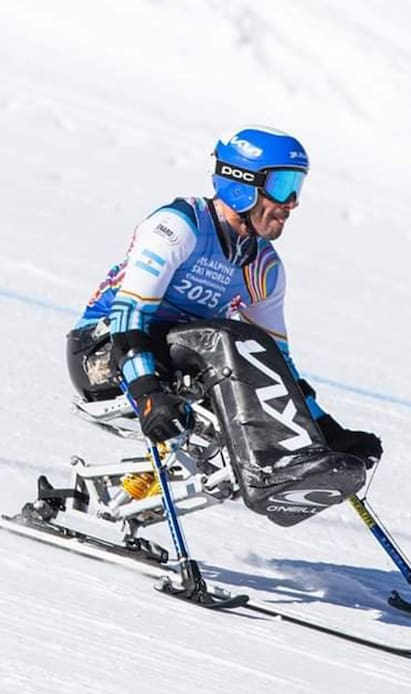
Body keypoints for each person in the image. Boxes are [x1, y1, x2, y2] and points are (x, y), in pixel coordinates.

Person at [65, 126, 382, 473]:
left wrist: (325, 432)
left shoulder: (264, 268)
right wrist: (147, 392)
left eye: (297, 187)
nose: (291, 203)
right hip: (105, 354)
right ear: (241, 182)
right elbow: (129, 314)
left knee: (247, 357)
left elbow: (275, 363)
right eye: (282, 186)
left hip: (186, 367)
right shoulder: (180, 226)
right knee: (225, 339)